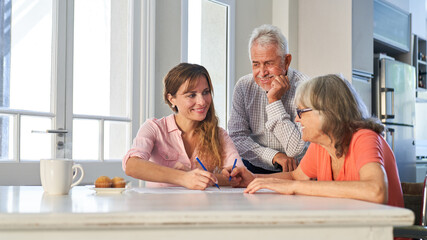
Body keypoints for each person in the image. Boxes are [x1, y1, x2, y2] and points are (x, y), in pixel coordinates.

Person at [226, 74, 404, 207]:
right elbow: (296, 176)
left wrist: (296, 187)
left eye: (301, 112)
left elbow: (376, 191)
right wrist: (253, 179)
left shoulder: (364, 138)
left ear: (328, 112)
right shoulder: (322, 144)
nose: (296, 119)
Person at [123, 63, 244, 189]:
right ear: (171, 99)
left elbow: (239, 176)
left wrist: (227, 177)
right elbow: (132, 166)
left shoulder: (219, 135)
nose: (202, 102)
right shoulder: (154, 128)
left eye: (206, 92)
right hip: (161, 207)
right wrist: (182, 177)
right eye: (191, 95)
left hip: (204, 207)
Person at [228, 24, 309, 174]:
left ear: (286, 61)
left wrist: (274, 101)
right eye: (256, 64)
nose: (262, 72)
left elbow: (295, 150)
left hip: (296, 170)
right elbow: (237, 138)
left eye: (269, 63)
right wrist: (274, 156)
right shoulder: (243, 86)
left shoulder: (305, 88)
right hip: (254, 166)